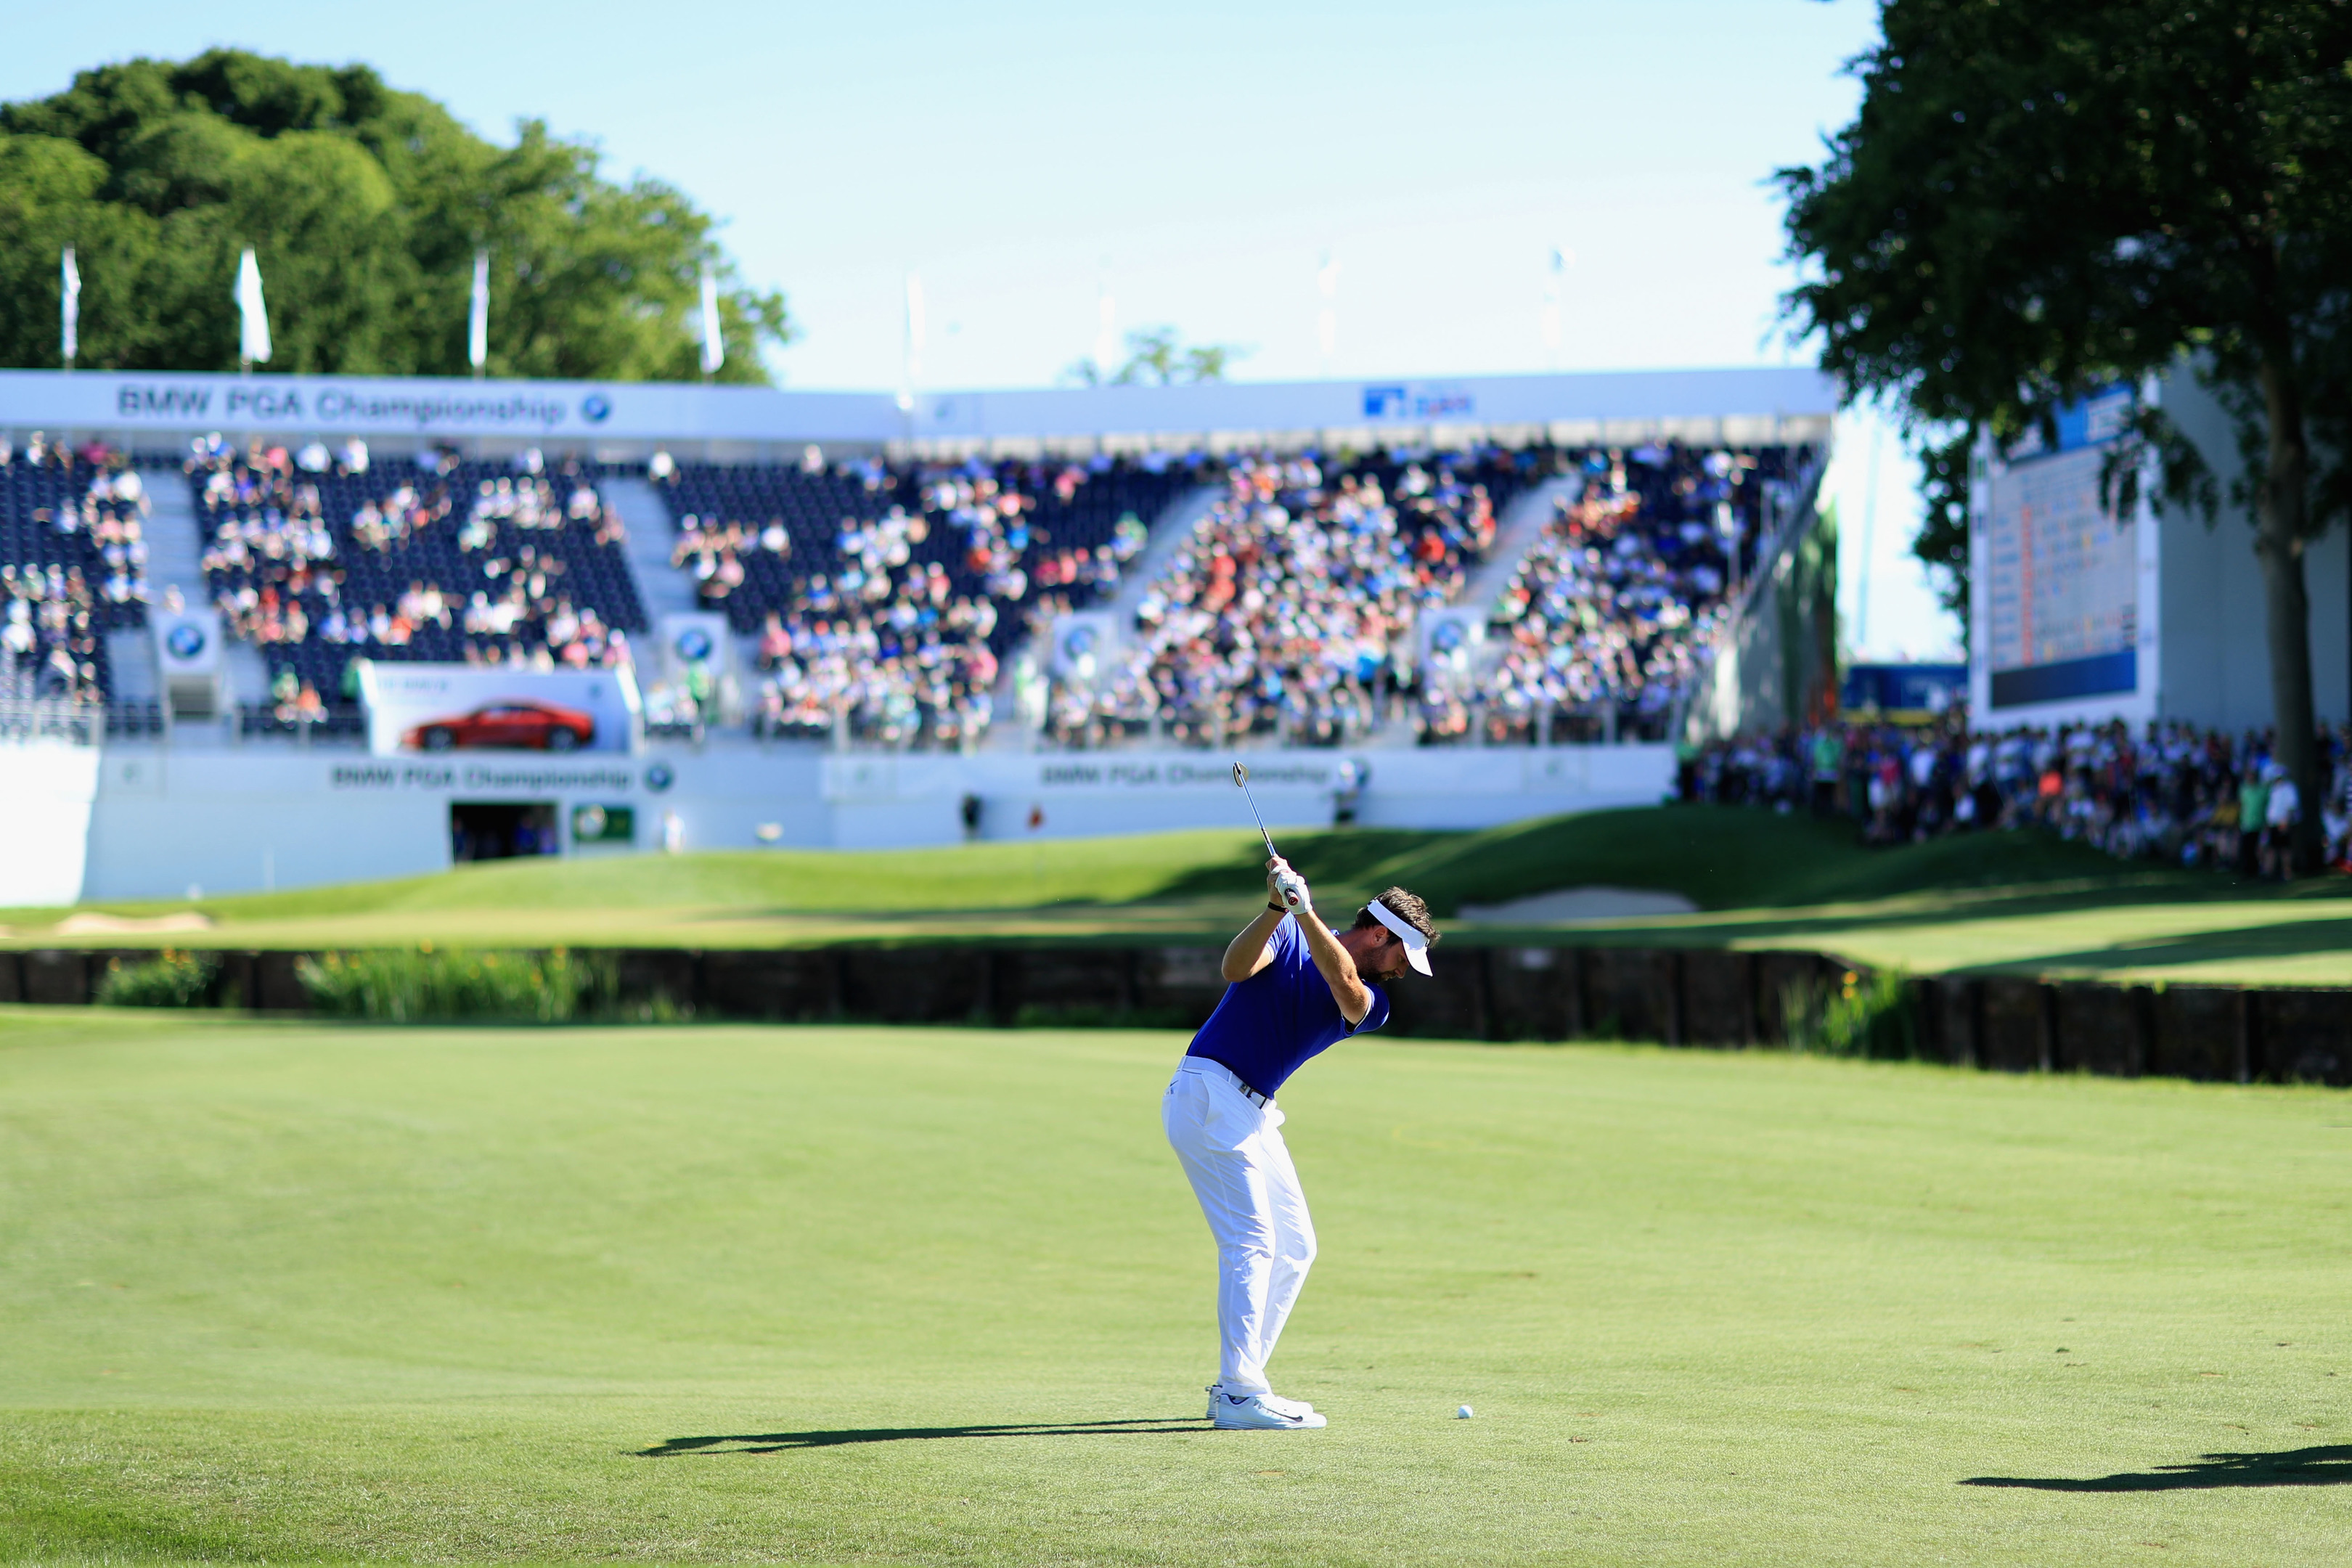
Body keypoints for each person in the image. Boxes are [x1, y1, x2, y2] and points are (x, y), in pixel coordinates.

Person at [1162, 857, 1439, 1430]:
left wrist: (1303, 909)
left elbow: (1341, 982)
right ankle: (1241, 1394)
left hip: (1252, 1111)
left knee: (1296, 1246)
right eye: (1401, 956)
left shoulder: (1371, 1000)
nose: (1404, 971)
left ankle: (1238, 1385)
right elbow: (1235, 969)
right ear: (1380, 934)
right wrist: (1274, 908)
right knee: (1254, 1241)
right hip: (1210, 1092)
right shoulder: (1285, 930)